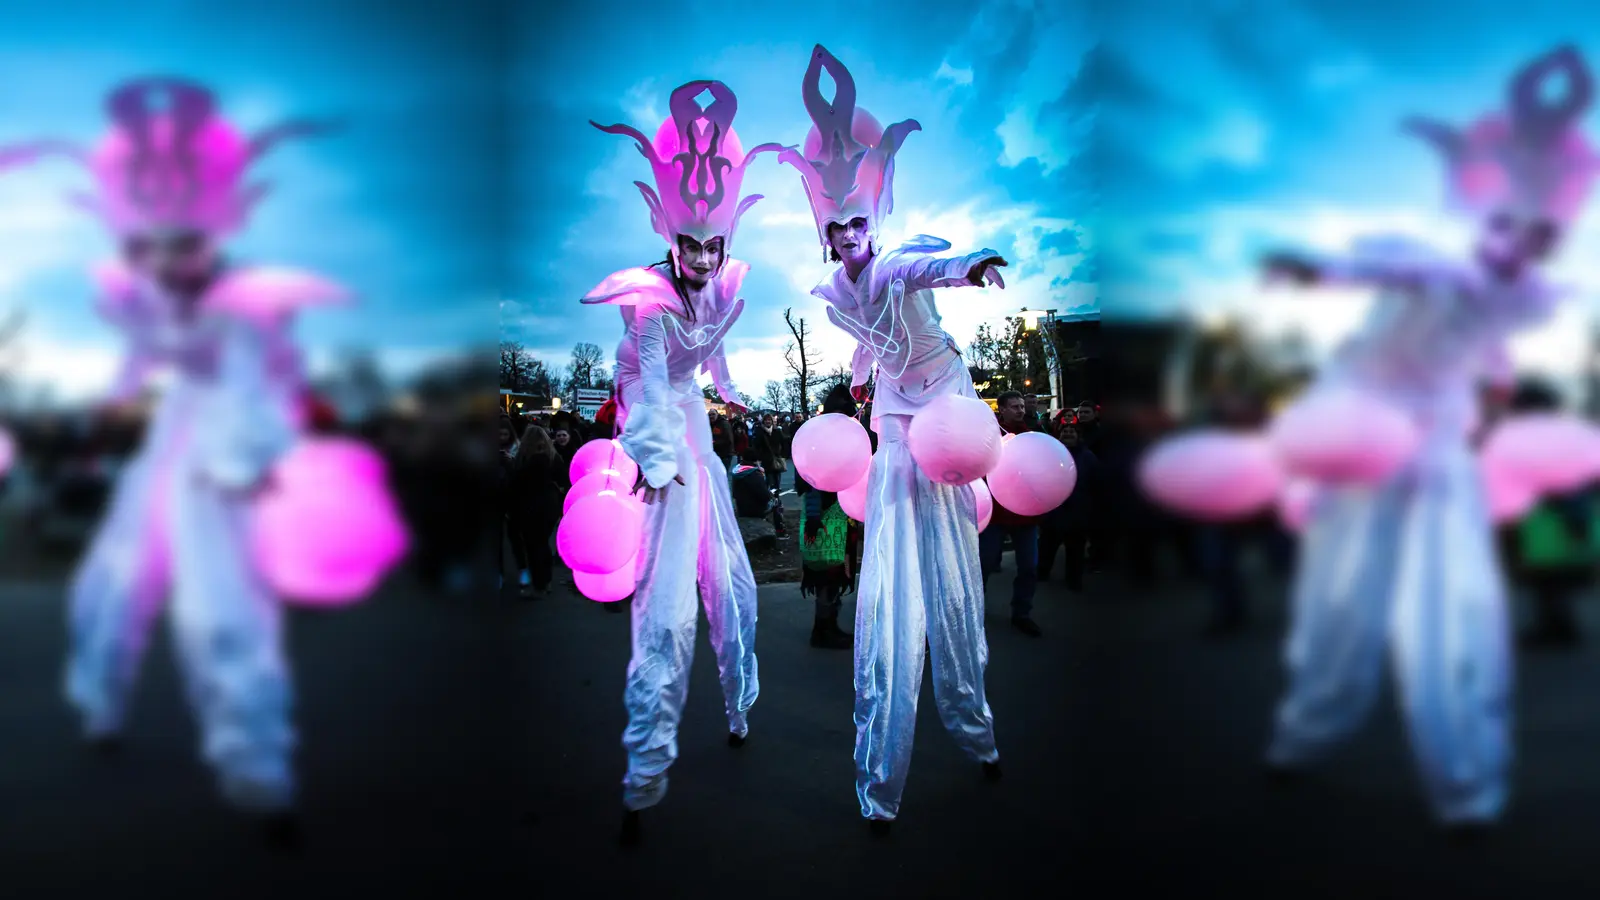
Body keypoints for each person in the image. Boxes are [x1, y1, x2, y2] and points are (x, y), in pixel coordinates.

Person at [1258, 46, 1597, 836]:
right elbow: (1375, 264)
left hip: (1434, 452)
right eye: (1512, 230)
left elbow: (1504, 308)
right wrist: (1313, 270)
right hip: (1368, 437)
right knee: (1338, 602)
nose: (1522, 245)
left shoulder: (1516, 291)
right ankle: (1308, 730)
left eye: (1536, 238)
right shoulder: (1433, 263)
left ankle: (1465, 780)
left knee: (1452, 612)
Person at [0, 77, 342, 849]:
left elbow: (264, 387)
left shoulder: (249, 303)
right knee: (113, 584)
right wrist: (118, 393)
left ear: (213, 233)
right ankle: (101, 701)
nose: (168, 256)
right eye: (152, 243)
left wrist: (251, 458)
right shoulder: (143, 295)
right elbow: (141, 359)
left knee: (224, 616)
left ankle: (260, 769)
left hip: (222, 454)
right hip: (172, 444)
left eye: (184, 240)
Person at [780, 45, 1011, 833]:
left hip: (944, 398)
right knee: (892, 565)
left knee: (949, 564)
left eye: (857, 223)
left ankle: (971, 718)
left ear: (872, 219)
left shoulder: (895, 258)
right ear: (825, 231)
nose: (849, 236)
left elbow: (925, 272)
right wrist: (855, 369)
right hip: (896, 411)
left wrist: (974, 266)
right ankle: (885, 754)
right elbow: (869, 333)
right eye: (837, 227)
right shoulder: (830, 290)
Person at [583, 79, 776, 845]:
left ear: (724, 243)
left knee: (728, 575)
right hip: (650, 399)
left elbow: (713, 357)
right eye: (688, 243)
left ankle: (738, 704)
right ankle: (646, 765)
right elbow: (658, 378)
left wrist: (734, 395)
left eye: (710, 244)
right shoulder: (649, 299)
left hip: (690, 405)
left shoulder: (728, 288)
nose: (699, 256)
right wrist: (660, 458)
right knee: (667, 596)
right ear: (670, 239)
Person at [794, 385, 859, 649]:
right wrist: (813, 517)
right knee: (828, 574)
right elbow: (808, 482)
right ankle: (822, 630)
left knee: (835, 574)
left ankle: (828, 625)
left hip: (839, 514)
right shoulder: (819, 437)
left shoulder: (837, 435)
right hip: (824, 516)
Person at [980, 391, 1044, 635]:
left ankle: (1022, 612)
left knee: (1029, 566)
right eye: (1014, 407)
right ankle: (974, 610)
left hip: (1025, 515)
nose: (1019, 410)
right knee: (984, 564)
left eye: (1021, 406)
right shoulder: (990, 437)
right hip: (995, 514)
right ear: (1002, 409)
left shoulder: (1033, 434)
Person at [1038, 418, 1100, 592]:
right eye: (1065, 432)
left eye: (1071, 432)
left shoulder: (1087, 457)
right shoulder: (1052, 454)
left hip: (1078, 510)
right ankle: (1042, 572)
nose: (1068, 435)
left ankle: (1074, 579)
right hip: (1054, 508)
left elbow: (1096, 482)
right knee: (1048, 544)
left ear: (1078, 436)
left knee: (1075, 549)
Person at [509, 424, 562, 600]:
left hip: (530, 506)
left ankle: (539, 584)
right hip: (550, 505)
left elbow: (516, 483)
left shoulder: (525, 459)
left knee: (533, 546)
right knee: (543, 544)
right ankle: (545, 581)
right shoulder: (553, 457)